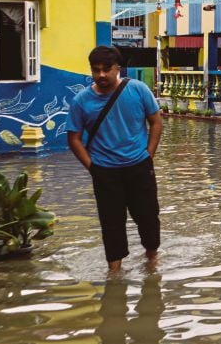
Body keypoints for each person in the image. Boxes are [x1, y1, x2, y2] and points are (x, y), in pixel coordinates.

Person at [67, 46, 163, 271]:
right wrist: (92, 167)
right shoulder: (81, 101)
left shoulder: (138, 90)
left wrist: (149, 155)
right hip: (105, 171)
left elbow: (156, 122)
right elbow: (73, 138)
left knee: (148, 217)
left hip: (139, 166)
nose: (101, 75)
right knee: (111, 224)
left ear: (117, 68)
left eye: (106, 70)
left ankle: (152, 259)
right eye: (95, 70)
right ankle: (114, 271)